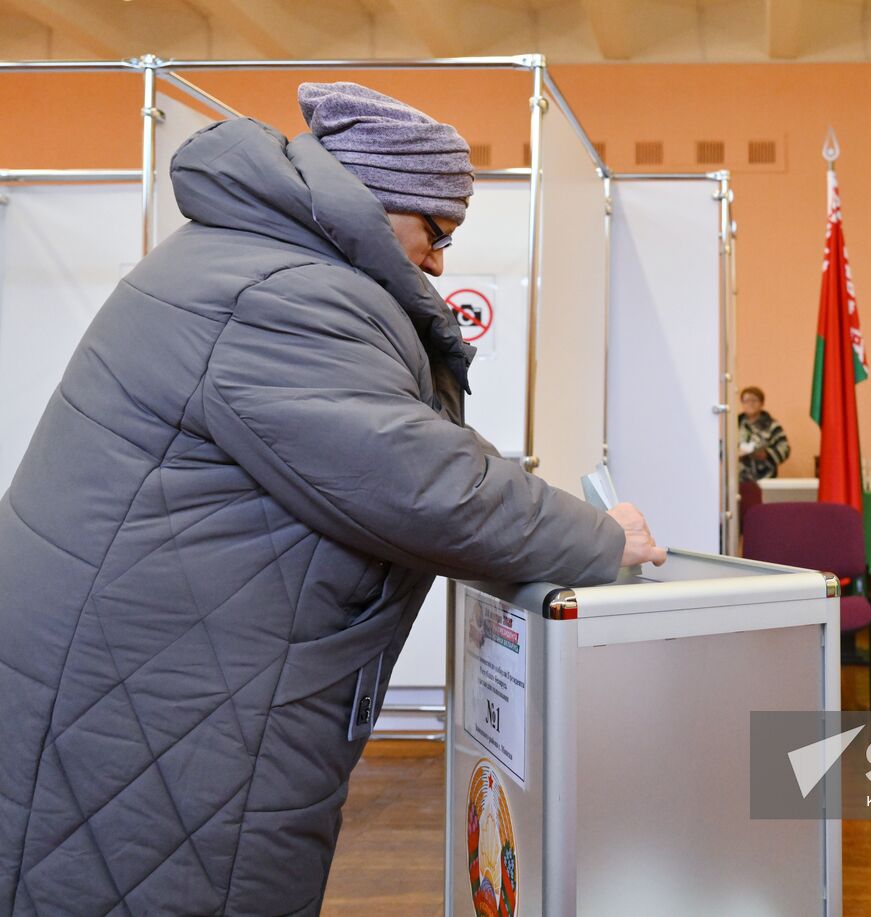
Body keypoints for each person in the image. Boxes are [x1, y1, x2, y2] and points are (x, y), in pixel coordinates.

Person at [0, 82, 664, 916]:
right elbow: (423, 484)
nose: (439, 262)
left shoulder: (253, 259)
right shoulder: (281, 292)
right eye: (436, 230)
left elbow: (399, 445)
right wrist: (602, 538)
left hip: (144, 694)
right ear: (374, 201)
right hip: (154, 720)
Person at [737, 385, 790, 482]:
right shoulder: (734, 424)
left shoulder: (772, 425)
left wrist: (767, 454)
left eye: (754, 400)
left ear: (762, 403)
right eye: (746, 401)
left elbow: (784, 449)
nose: (750, 404)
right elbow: (721, 447)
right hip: (738, 479)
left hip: (765, 478)